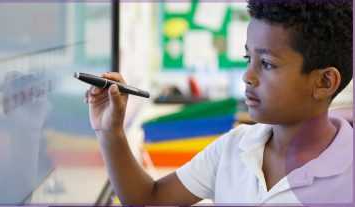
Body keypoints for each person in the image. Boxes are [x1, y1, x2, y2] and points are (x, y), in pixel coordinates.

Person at [84, 1, 353, 205]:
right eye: (249, 59)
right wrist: (110, 132)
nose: (248, 76)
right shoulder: (233, 147)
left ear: (324, 82)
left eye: (267, 64)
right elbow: (149, 199)